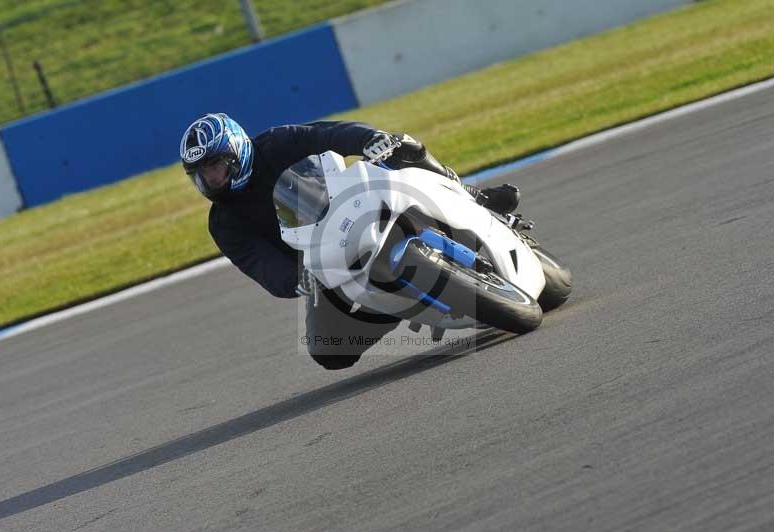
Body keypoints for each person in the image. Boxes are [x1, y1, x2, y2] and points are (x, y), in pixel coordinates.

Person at [179, 113, 521, 370]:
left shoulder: (277, 143)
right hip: (324, 263)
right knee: (328, 352)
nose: (210, 179)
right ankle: (388, 306)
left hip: (357, 205)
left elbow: (326, 134)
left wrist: (367, 140)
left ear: (236, 150)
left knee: (402, 145)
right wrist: (295, 278)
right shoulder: (224, 222)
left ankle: (474, 197)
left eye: (215, 167)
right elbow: (259, 263)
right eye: (202, 175)